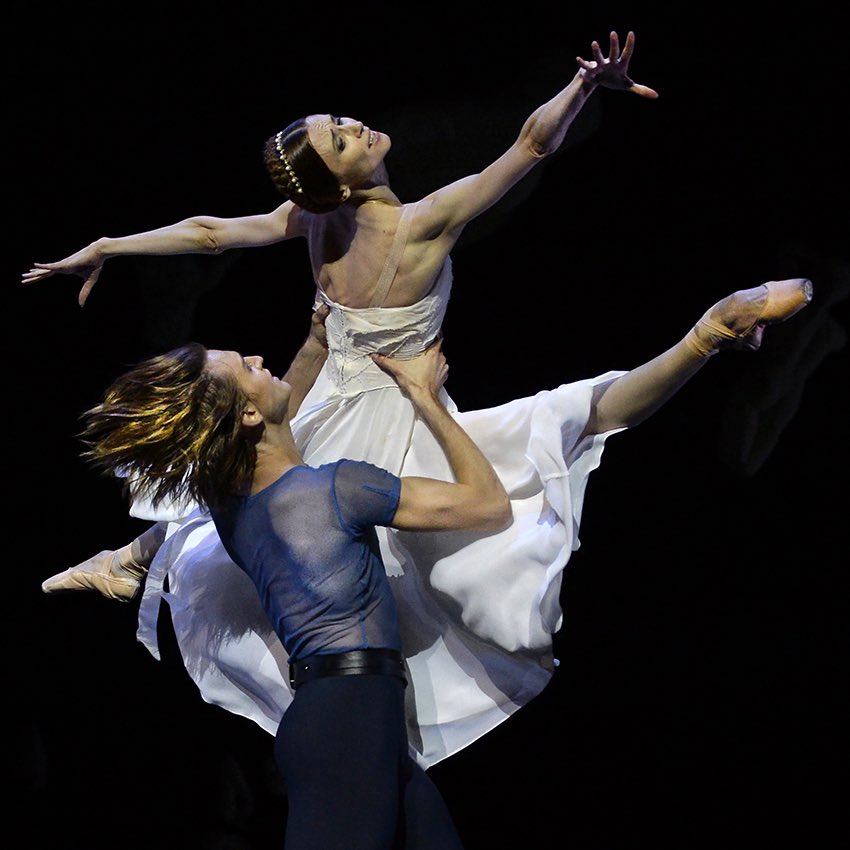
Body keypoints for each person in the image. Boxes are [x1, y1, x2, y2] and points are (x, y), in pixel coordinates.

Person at [29, 30, 666, 767]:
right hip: (385, 403)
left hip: (323, 386)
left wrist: (109, 244)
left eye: (342, 122)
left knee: (241, 496)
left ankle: (136, 555)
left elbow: (210, 236)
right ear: (339, 180)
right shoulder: (417, 224)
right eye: (342, 138)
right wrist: (585, 87)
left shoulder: (311, 219)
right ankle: (366, 721)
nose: (357, 127)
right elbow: (529, 147)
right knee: (416, 553)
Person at [74, 300, 512, 848]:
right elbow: (488, 505)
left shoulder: (231, 503)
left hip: (344, 720)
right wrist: (424, 397)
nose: (261, 358)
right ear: (250, 417)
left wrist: (316, 342)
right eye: (250, 366)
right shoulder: (337, 490)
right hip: (348, 718)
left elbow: (262, 422)